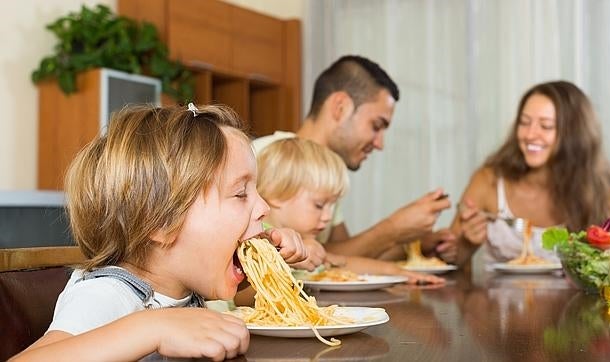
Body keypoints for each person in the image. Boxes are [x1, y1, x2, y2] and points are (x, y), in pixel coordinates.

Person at [11, 104, 313, 361]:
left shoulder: (183, 283)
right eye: (240, 194)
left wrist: (271, 269)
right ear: (163, 222)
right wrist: (152, 329)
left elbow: (251, 304)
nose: (264, 207)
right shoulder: (108, 295)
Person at [253, 55, 454, 262]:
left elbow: (342, 257)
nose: (380, 144)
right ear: (341, 107)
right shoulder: (259, 158)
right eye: (376, 126)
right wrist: (393, 228)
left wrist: (413, 243)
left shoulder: (327, 175)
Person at [451, 80, 610, 267]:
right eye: (524, 122)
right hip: (499, 296)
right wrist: (466, 242)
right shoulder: (489, 181)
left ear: (574, 135)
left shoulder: (599, 192)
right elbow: (448, 259)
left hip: (573, 297)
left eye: (545, 126)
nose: (530, 135)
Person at [256, 138, 446, 285]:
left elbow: (344, 263)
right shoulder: (258, 236)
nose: (328, 217)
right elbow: (241, 295)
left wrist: (399, 273)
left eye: (332, 206)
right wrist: (284, 261)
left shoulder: (306, 243)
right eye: (319, 205)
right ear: (277, 194)